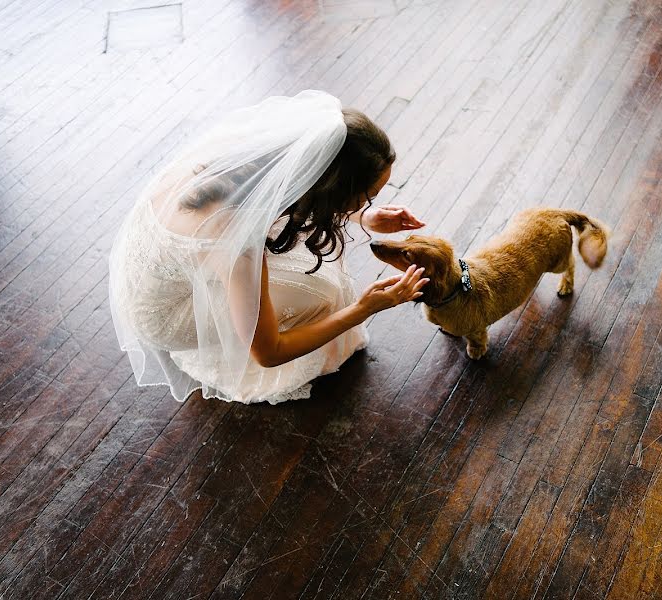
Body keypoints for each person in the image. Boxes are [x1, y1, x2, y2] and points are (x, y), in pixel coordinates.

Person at [108, 90, 429, 404]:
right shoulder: (238, 241)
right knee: (323, 293)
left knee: (312, 266)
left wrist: (366, 216)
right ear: (332, 188)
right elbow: (269, 353)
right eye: (367, 195)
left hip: (157, 272)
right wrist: (364, 308)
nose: (369, 202)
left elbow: (294, 192)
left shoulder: (254, 156)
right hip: (165, 312)